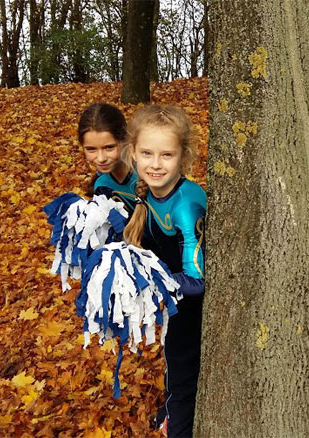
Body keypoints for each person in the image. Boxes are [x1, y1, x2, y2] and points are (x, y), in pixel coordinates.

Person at [121, 105, 206, 438]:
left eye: (166, 155)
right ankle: (173, 409)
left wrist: (152, 281)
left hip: (193, 311)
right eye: (147, 153)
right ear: (133, 153)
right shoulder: (145, 193)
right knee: (175, 369)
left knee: (183, 376)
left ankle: (180, 428)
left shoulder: (186, 204)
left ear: (183, 156)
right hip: (174, 303)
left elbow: (198, 281)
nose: (155, 164)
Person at [78, 103, 138, 213]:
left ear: (125, 140)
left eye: (109, 147)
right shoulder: (102, 186)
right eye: (91, 149)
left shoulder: (150, 174)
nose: (101, 158)